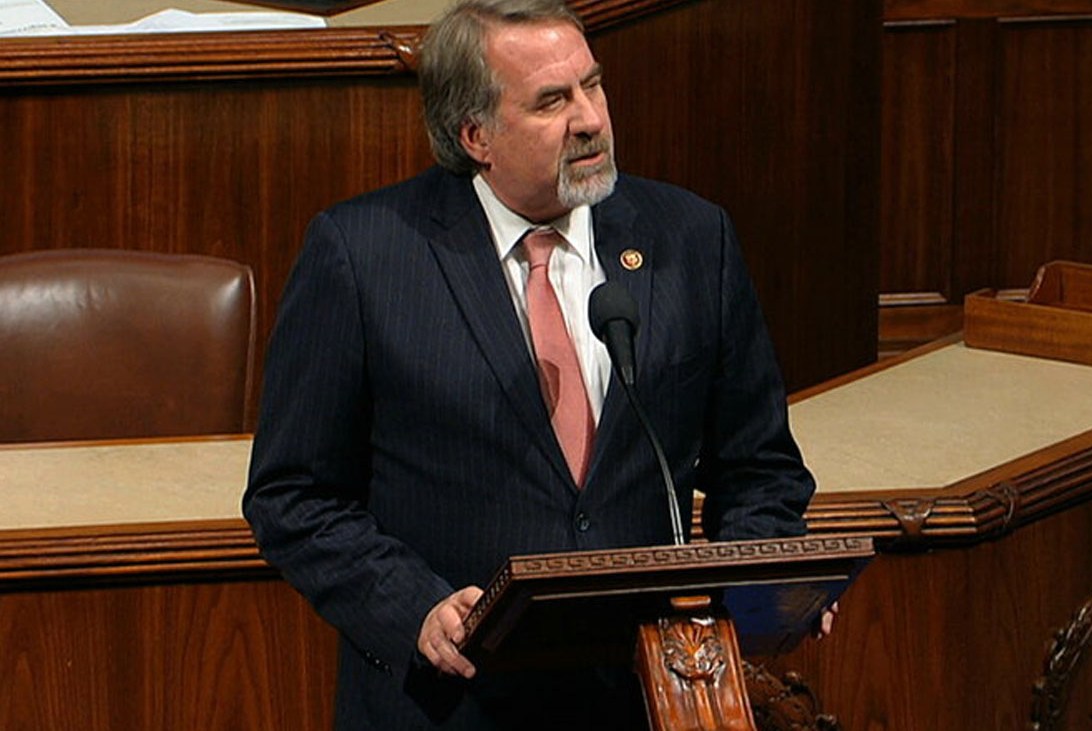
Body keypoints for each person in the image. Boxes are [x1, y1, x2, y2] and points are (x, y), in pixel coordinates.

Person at [243, 0, 818, 728]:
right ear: (475, 135)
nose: (590, 119)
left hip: (637, 699)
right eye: (552, 101)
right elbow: (293, 494)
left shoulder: (692, 238)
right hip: (452, 702)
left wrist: (755, 588)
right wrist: (415, 608)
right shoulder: (364, 255)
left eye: (592, 85)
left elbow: (760, 470)